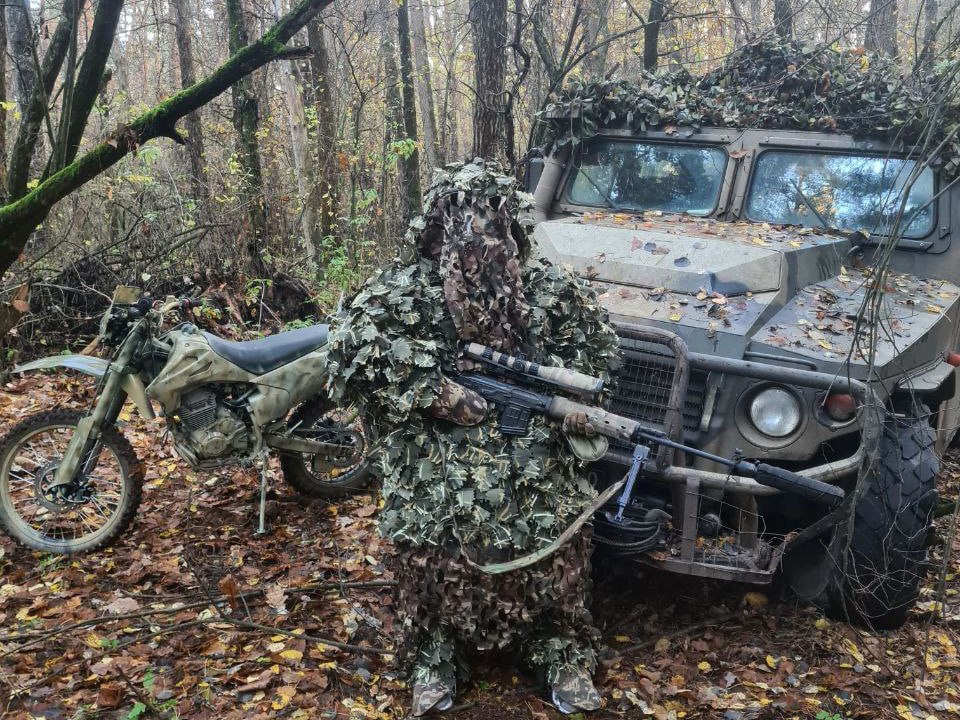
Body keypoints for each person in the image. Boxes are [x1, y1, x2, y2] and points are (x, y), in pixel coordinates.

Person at [323, 159, 620, 715]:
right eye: (465, 222)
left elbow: (597, 353)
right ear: (437, 225)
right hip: (436, 476)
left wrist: (579, 404)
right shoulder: (404, 292)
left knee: (558, 555)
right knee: (431, 559)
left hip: (537, 470)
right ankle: (434, 655)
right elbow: (347, 353)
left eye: (492, 223)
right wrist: (433, 391)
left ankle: (559, 650)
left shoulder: (552, 292)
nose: (479, 240)